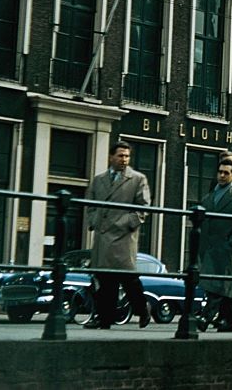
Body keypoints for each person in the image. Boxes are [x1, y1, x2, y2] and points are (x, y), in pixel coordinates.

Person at [83, 141, 151, 329]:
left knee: (128, 279)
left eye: (127, 156)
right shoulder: (99, 180)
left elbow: (143, 208)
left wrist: (125, 224)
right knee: (105, 280)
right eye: (120, 155)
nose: (124, 160)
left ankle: (143, 309)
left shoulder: (138, 179)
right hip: (103, 236)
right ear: (111, 157)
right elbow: (90, 203)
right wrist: (95, 221)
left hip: (123, 237)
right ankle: (104, 319)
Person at [196, 156, 232, 333]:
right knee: (221, 285)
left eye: (226, 173)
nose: (222, 176)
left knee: (220, 284)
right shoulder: (208, 197)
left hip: (227, 248)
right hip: (210, 247)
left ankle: (205, 317)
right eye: (220, 172)